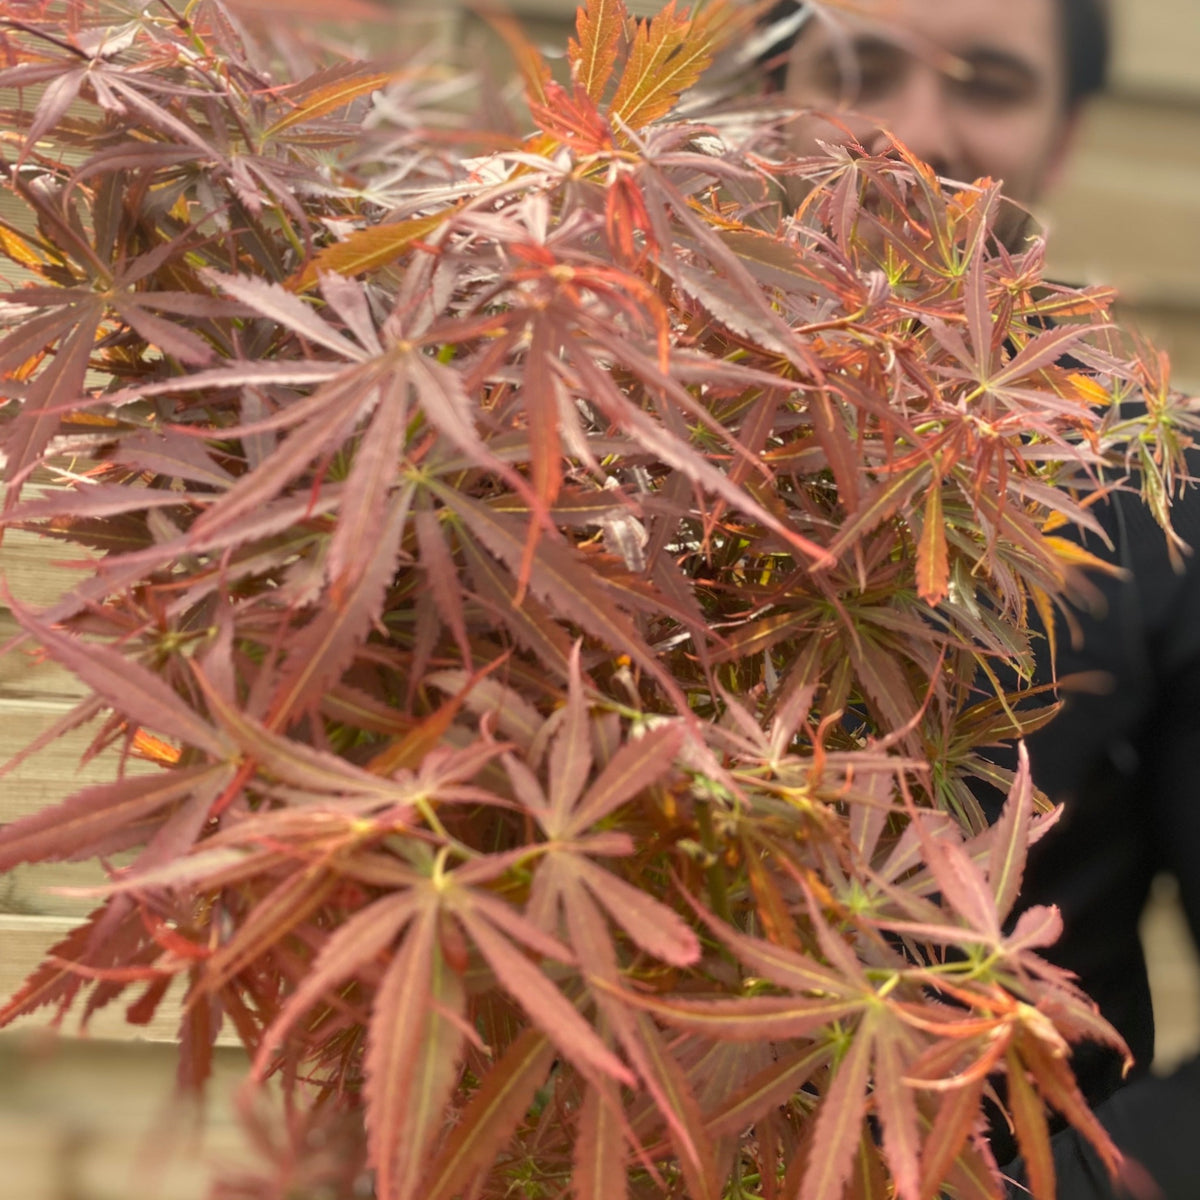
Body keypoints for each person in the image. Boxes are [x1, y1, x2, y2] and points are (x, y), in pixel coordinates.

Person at [757, 2, 1200, 1197]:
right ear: (766, 96)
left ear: (1065, 135)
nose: (915, 130)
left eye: (991, 83)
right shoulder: (565, 422)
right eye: (862, 69)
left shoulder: (1158, 493)